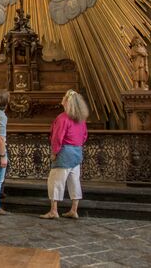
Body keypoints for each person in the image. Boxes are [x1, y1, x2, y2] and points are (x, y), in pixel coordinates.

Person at [41, 89, 89, 219]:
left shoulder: (62, 118)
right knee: (74, 182)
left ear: (67, 101)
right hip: (77, 152)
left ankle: (54, 210)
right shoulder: (81, 118)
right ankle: (74, 209)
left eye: (64, 97)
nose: (62, 98)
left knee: (56, 181)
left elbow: (57, 138)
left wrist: (54, 153)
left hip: (65, 153)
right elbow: (84, 136)